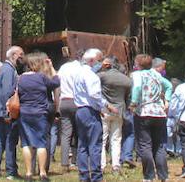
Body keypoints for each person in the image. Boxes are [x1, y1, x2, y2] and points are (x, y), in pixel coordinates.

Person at [18, 52, 61, 182]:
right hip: (40, 113)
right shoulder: (41, 77)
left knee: (26, 143)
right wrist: (52, 67)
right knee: (41, 143)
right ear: (36, 64)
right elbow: (56, 82)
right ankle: (42, 173)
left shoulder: (20, 78)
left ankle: (28, 174)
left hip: (24, 113)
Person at [130, 54, 173, 182]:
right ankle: (163, 176)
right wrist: (167, 101)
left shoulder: (137, 75)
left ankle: (148, 176)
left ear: (138, 65)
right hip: (159, 113)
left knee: (145, 145)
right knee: (159, 146)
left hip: (144, 112)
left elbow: (137, 87)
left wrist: (133, 103)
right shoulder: (156, 74)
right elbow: (169, 85)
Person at [71, 48, 107, 182]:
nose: (101, 63)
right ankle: (96, 176)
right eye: (100, 60)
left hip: (80, 110)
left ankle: (84, 175)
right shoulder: (92, 75)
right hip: (90, 111)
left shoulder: (78, 73)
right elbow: (94, 94)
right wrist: (102, 106)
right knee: (95, 144)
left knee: (83, 144)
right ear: (92, 61)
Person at [99, 56, 133, 174]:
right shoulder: (127, 80)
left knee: (102, 139)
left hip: (104, 110)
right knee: (116, 139)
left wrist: (100, 65)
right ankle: (116, 166)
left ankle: (102, 165)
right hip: (119, 111)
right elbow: (128, 97)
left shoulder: (102, 76)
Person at [0, 46, 25, 179]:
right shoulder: (9, 70)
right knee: (10, 141)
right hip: (10, 111)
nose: (22, 57)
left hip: (6, 110)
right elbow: (7, 92)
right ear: (14, 55)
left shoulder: (5, 68)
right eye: (21, 54)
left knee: (3, 140)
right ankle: (11, 171)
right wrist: (7, 111)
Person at [57, 48, 83, 174]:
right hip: (77, 102)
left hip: (64, 101)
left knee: (66, 133)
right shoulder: (81, 69)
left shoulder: (63, 67)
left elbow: (57, 82)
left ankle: (64, 162)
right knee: (79, 132)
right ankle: (76, 160)